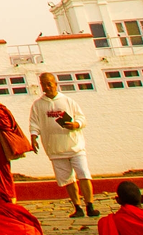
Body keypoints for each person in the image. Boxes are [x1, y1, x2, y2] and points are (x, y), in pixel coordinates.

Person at [28, 73, 95, 217]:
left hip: (75, 145)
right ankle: (77, 207)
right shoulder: (38, 105)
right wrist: (33, 137)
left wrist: (76, 124)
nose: (47, 87)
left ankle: (90, 204)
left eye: (49, 83)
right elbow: (34, 123)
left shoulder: (68, 101)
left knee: (83, 174)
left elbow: (82, 118)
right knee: (67, 179)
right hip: (55, 149)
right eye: (44, 84)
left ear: (55, 83)